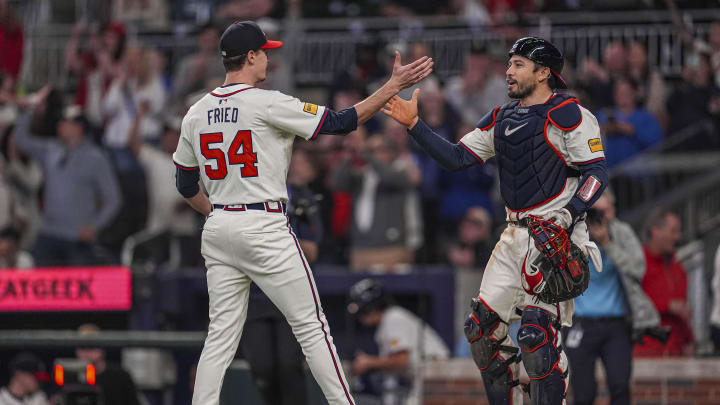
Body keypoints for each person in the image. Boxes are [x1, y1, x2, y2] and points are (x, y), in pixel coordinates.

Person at [172, 20, 433, 405]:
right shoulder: (267, 101)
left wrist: (216, 213)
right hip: (263, 224)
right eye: (264, 52)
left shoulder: (196, 111)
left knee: (220, 337)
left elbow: (184, 185)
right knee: (312, 328)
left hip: (220, 225)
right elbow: (342, 123)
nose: (268, 58)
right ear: (250, 56)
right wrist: (392, 87)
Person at [382, 36, 608, 404]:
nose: (508, 71)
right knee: (480, 332)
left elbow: (596, 174)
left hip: (554, 232)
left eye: (518, 64)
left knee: (536, 337)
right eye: (509, 64)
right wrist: (415, 126)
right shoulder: (501, 117)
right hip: (512, 235)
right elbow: (457, 158)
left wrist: (569, 216)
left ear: (544, 72)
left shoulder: (572, 114)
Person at [563, 191, 652, 405]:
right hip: (580, 324)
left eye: (605, 212)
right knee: (584, 392)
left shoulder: (622, 233)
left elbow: (639, 269)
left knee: (620, 385)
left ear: (613, 211)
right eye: (594, 212)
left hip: (616, 324)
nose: (599, 218)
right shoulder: (572, 233)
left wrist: (608, 243)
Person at [14, 100, 122, 267]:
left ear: (79, 128)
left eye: (66, 121)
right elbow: (20, 140)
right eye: (61, 121)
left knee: (77, 290)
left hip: (76, 237)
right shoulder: (50, 149)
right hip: (48, 233)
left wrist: (94, 226)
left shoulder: (96, 158)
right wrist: (30, 111)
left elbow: (113, 199)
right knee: (41, 285)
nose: (60, 124)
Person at [347, 278, 450, 405]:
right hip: (429, 376)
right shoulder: (388, 321)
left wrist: (369, 362)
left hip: (437, 374)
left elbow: (402, 361)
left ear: (370, 307)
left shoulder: (393, 318)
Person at [635, 208, 694, 357]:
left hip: (676, 353)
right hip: (645, 354)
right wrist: (667, 305)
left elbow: (682, 314)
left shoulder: (678, 269)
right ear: (656, 231)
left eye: (679, 231)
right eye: (673, 231)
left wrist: (689, 340)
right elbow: (630, 307)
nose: (678, 237)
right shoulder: (637, 264)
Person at [595, 77, 663, 168]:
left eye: (626, 92)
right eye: (618, 92)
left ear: (635, 93)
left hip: (636, 173)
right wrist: (603, 130)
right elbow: (589, 142)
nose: (622, 95)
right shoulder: (603, 115)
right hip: (608, 172)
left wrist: (633, 130)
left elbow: (657, 142)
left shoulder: (645, 117)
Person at [75, 324, 141, 405]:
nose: (86, 352)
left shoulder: (120, 376)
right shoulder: (70, 377)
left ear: (101, 348)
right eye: (82, 347)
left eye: (91, 346)